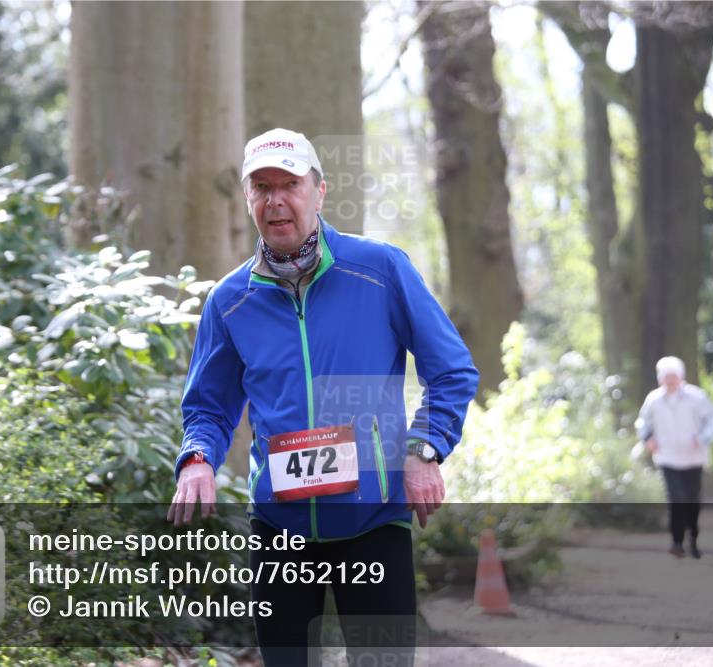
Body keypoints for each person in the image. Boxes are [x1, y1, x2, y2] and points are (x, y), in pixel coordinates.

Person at [165, 128, 479, 666]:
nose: (275, 200)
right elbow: (209, 407)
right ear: (247, 199)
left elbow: (451, 370)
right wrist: (197, 459)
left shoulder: (380, 269)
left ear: (319, 191)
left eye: (289, 183)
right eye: (261, 187)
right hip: (280, 528)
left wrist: (424, 449)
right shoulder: (230, 301)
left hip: (373, 518)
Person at [636, 356, 713, 559]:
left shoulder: (697, 397)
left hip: (693, 457)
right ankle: (676, 541)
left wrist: (703, 438)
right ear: (660, 379)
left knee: (691, 500)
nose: (670, 380)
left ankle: (693, 537)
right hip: (667, 457)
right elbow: (642, 422)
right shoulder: (653, 399)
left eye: (673, 376)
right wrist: (648, 438)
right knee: (676, 498)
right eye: (666, 377)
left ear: (681, 377)